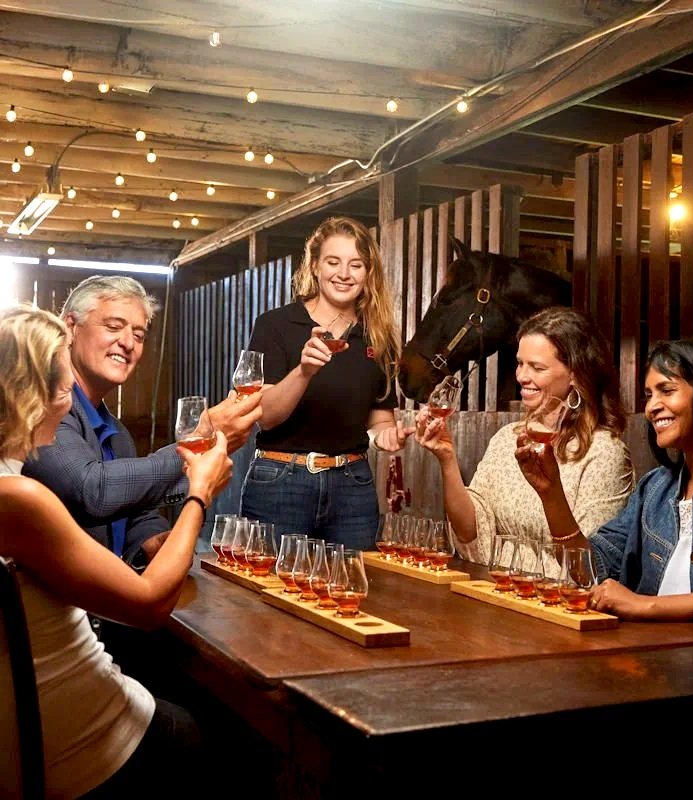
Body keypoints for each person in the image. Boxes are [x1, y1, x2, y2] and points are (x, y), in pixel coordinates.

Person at [0, 304, 233, 798]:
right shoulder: (16, 498)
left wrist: (157, 534)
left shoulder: (16, 483)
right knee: (213, 732)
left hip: (43, 709)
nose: (66, 407)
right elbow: (149, 603)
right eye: (63, 390)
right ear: (28, 396)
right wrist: (199, 493)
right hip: (74, 739)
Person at [519, 336, 693, 629]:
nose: (652, 406)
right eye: (649, 394)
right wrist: (551, 494)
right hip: (653, 658)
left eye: (666, 390)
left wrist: (643, 604)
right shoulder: (655, 487)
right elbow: (591, 569)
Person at [22, 274, 263, 568]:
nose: (127, 343)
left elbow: (135, 512)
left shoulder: (118, 433)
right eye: (113, 327)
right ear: (71, 327)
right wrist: (196, 445)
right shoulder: (44, 407)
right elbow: (92, 491)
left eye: (138, 335)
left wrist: (150, 539)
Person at [415, 306, 634, 564]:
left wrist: (550, 493)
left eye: (537, 367)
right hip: (497, 589)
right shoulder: (507, 438)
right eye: (520, 363)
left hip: (553, 600)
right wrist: (447, 459)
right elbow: (470, 534)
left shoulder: (604, 453)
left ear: (576, 373)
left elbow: (587, 566)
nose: (522, 376)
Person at [241, 216, 409, 550]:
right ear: (315, 266)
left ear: (368, 273)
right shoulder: (276, 325)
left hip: (353, 487)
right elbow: (266, 416)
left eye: (356, 264)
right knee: (270, 596)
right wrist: (303, 371)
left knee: (349, 593)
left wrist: (386, 437)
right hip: (280, 480)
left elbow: (378, 422)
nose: (344, 274)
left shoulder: (378, 337)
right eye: (333, 262)